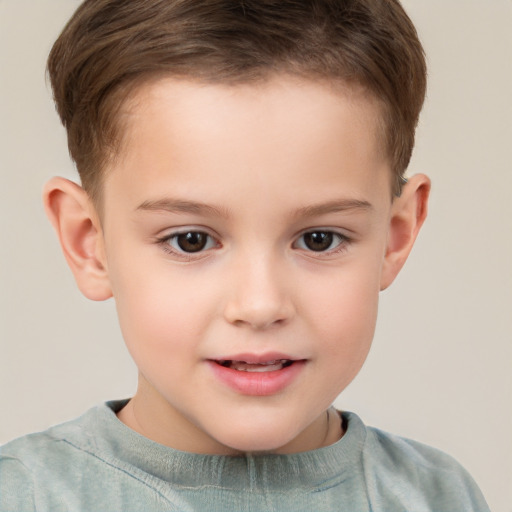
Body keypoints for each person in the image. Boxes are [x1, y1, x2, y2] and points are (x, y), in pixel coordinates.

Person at [0, 0, 490, 510]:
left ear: (395, 234)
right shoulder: (24, 496)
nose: (260, 305)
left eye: (319, 239)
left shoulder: (439, 496)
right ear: (89, 242)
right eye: (191, 240)